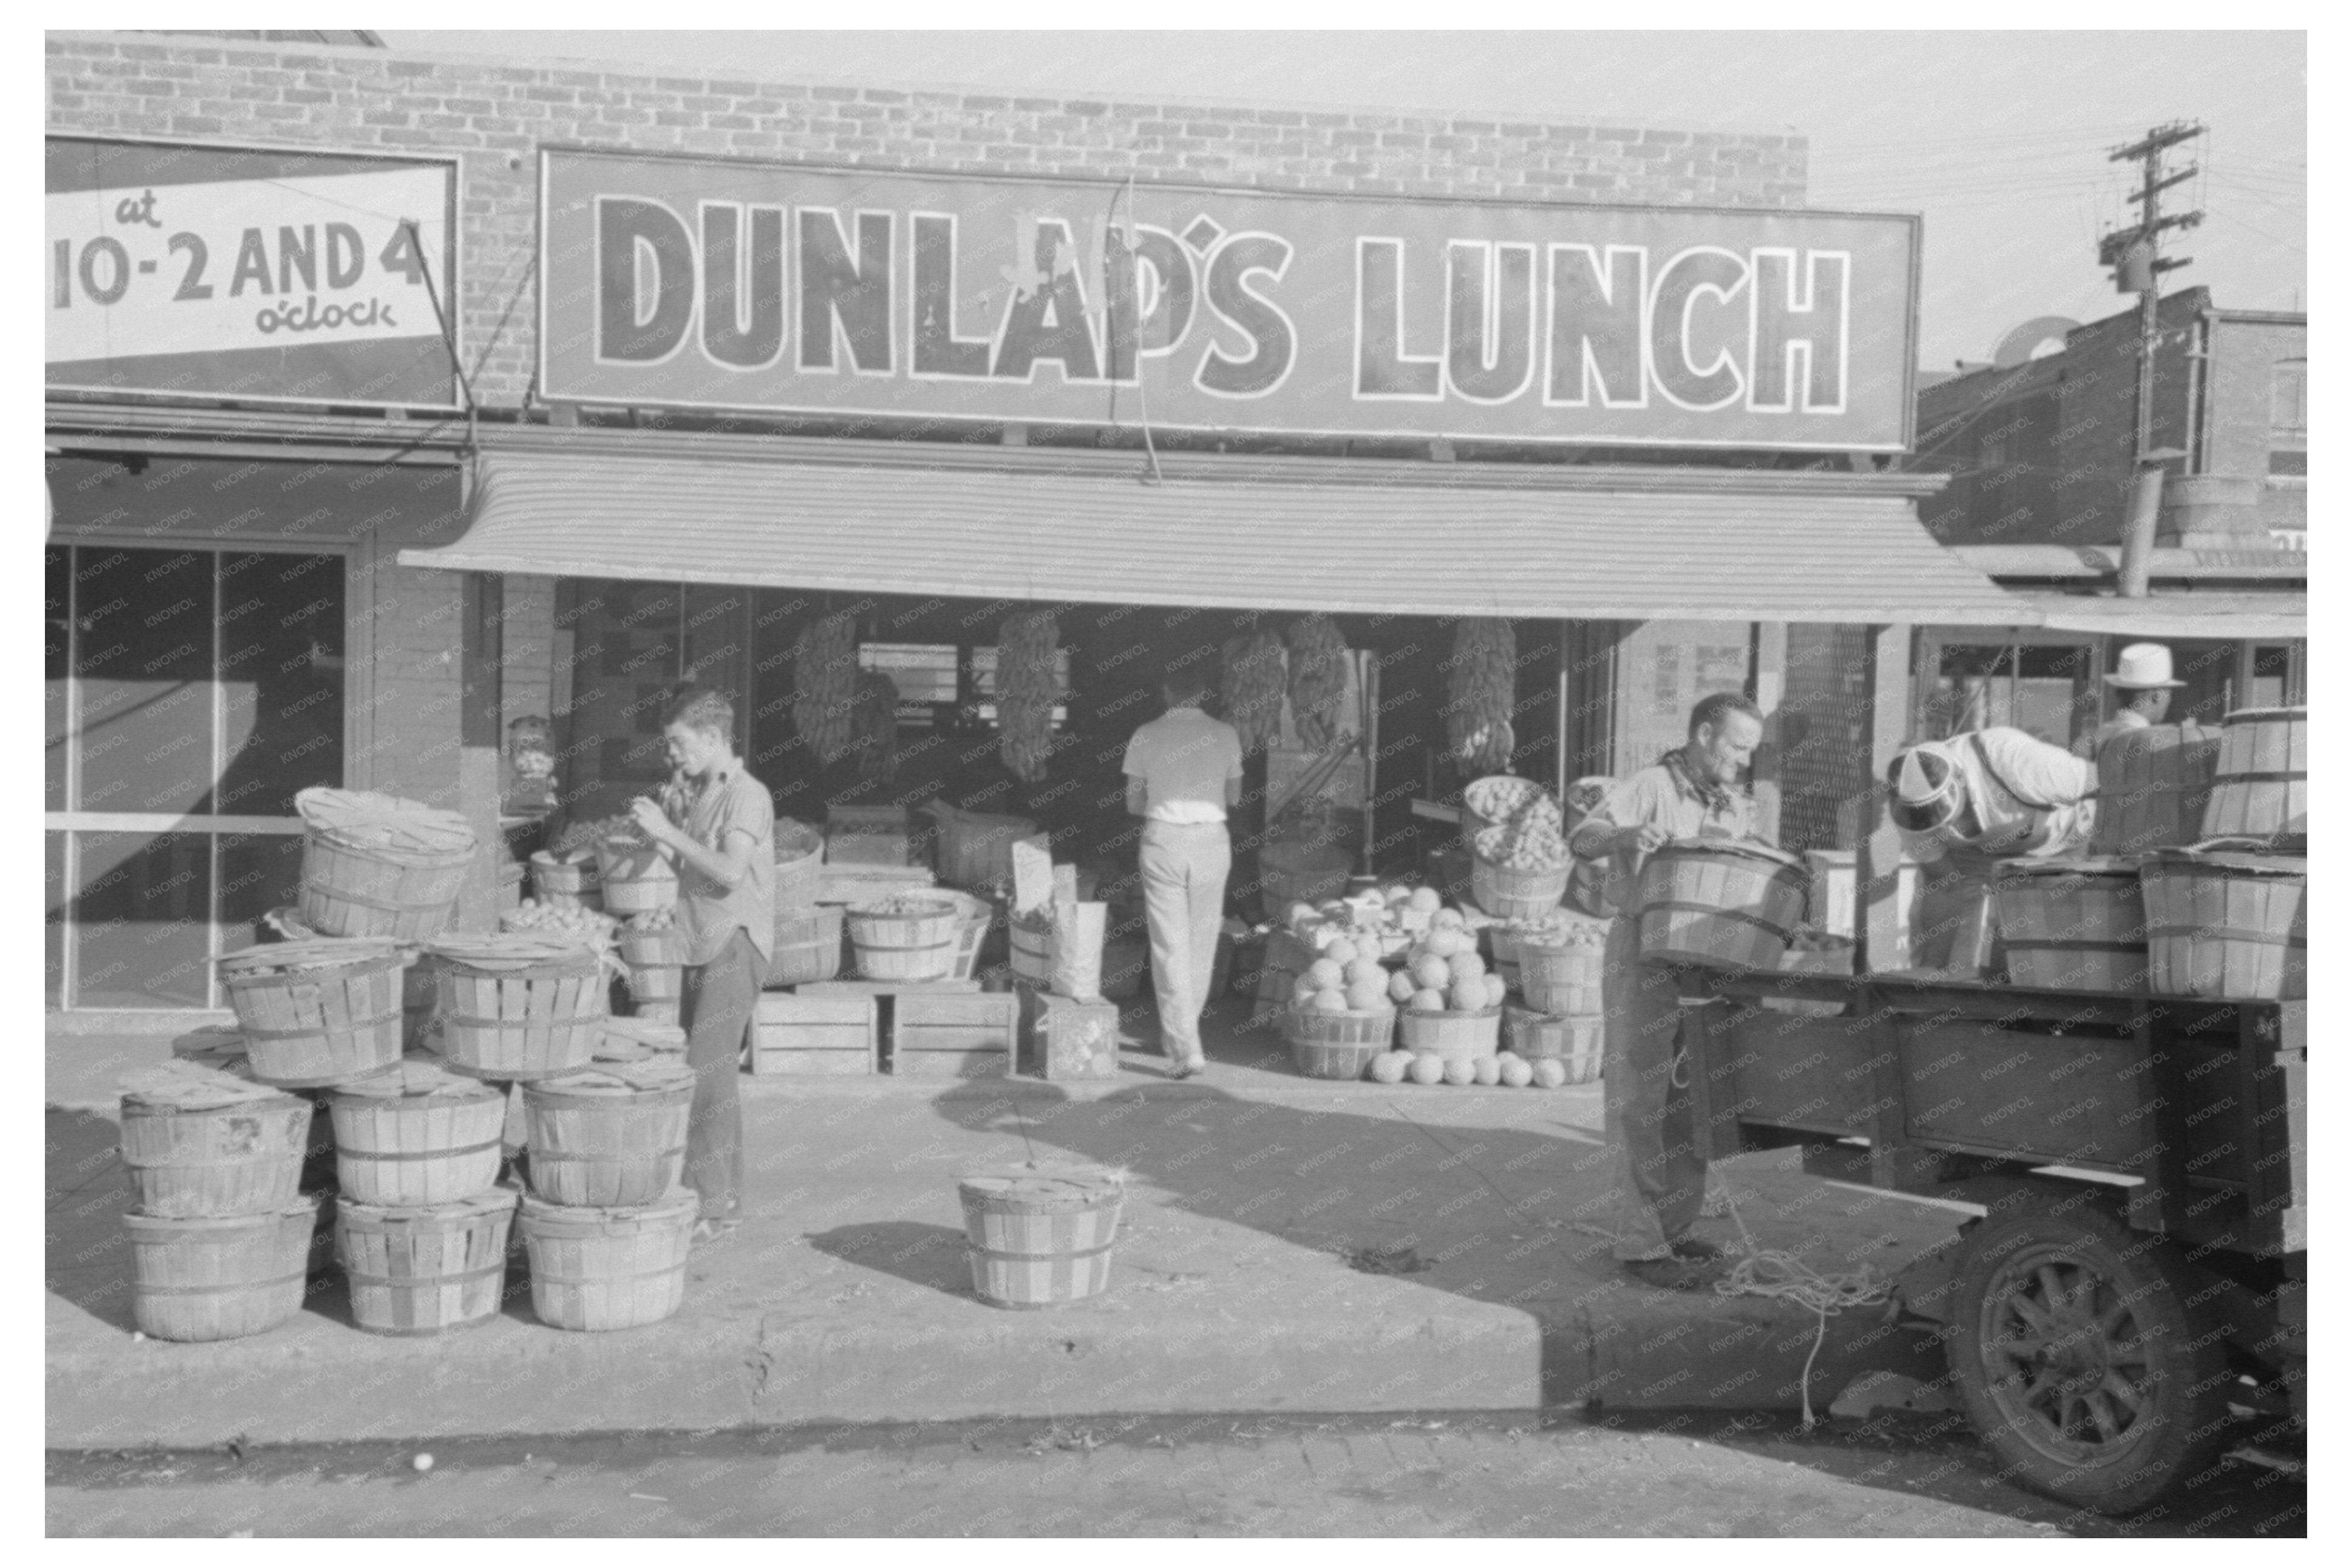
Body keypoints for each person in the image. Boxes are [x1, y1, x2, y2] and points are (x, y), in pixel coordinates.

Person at [1567, 691, 1766, 1289]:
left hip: (1703, 963)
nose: (1743, 761)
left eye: (1751, 751)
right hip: (1644, 955)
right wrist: (1624, 836)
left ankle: (1676, 1226)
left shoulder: (1734, 805)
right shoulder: (1652, 784)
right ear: (1705, 734)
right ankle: (1640, 1244)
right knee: (1639, 1101)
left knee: (1691, 1101)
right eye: (1736, 746)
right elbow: (1581, 838)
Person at [628, 687, 776, 1244]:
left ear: (713, 738)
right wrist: (662, 840)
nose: (674, 755)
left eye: (680, 743)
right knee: (711, 1077)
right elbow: (698, 871)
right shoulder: (706, 795)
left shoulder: (747, 796)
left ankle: (705, 1208)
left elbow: (730, 872)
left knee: (707, 1080)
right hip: (701, 943)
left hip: (733, 944)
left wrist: (669, 834)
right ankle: (721, 1200)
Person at [1886, 724, 2095, 971]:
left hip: (2058, 843)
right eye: (1926, 814)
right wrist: (1931, 973)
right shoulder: (1910, 812)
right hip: (1975, 854)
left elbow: (2105, 783)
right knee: (1947, 965)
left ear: (1960, 778)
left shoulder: (2018, 763)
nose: (1935, 820)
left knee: (2030, 951)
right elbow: (1943, 885)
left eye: (1939, 808)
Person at [1122, 662, 1243, 1079]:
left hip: (1164, 841)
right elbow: (1235, 795)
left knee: (1169, 946)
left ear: (1166, 694)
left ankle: (1183, 1045)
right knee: (1202, 943)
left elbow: (1133, 805)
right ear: (1203, 694)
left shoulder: (1146, 734)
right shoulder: (1225, 734)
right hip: (1211, 841)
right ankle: (1182, 1037)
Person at [2075, 641, 2185, 758]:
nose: (2169, 701)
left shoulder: (2091, 739)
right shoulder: (2155, 743)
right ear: (2157, 695)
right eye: (2169, 694)